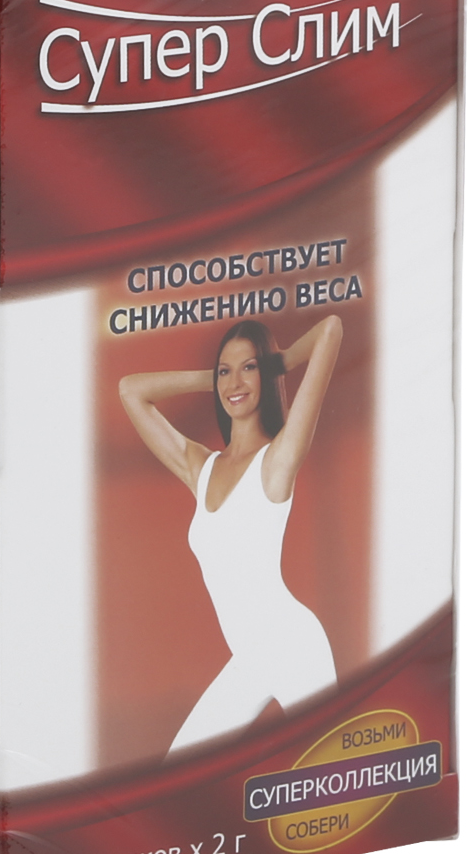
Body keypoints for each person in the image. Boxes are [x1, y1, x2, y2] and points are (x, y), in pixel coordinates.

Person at [119, 315, 343, 752]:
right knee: (179, 772)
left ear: (266, 375)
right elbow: (131, 390)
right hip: (249, 659)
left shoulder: (277, 459)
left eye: (249, 368)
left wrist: (278, 362)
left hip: (294, 646)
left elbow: (331, 328)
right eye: (226, 370)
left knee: (326, 772)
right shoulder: (200, 469)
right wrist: (214, 379)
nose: (235, 382)